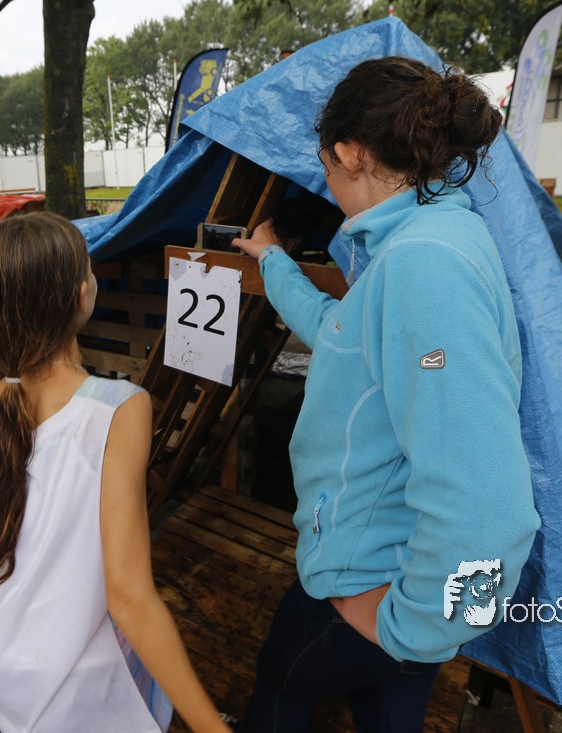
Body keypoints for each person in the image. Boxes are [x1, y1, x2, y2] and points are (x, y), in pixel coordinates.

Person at [231, 56, 541, 732]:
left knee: (281, 683)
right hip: (399, 571)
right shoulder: (432, 237)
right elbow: (338, 332)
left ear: (350, 154)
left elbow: (489, 509)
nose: (326, 179)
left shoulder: (421, 264)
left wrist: (417, 625)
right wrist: (273, 259)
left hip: (371, 583)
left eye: (323, 164)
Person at [0, 212, 232, 733]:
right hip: (86, 692)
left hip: (3, 674)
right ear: (82, 295)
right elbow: (130, 598)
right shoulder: (119, 407)